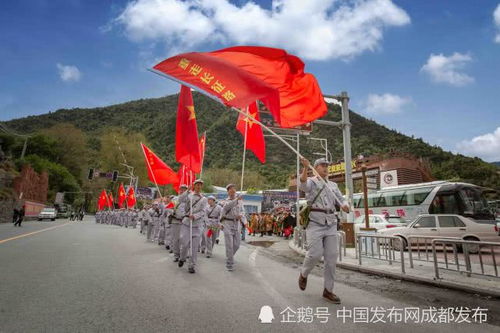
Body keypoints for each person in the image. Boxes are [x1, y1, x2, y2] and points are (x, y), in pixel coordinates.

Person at [297, 157, 350, 304]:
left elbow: (341, 198)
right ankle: (304, 274)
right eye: (322, 165)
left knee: (332, 257)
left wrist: (345, 205)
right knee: (314, 254)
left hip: (331, 223)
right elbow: (303, 185)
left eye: (327, 165)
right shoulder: (312, 181)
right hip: (315, 223)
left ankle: (328, 290)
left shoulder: (333, 185)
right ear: (316, 168)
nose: (326, 168)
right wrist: (305, 169)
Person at [178, 179, 207, 273]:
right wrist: (187, 191)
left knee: (194, 248)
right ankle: (182, 258)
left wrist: (195, 216)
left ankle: (192, 265)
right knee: (184, 243)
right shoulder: (189, 195)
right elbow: (180, 199)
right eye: (197, 184)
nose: (198, 186)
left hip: (197, 225)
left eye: (200, 185)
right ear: (194, 186)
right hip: (186, 224)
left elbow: (203, 211)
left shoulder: (204, 199)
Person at [220, 184, 246, 271]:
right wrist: (236, 199)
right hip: (227, 223)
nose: (232, 191)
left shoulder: (240, 201)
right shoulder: (225, 201)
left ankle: (229, 256)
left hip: (237, 224)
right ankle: (229, 263)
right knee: (229, 245)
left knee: (237, 244)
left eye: (233, 189)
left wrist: (241, 215)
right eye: (230, 189)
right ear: (227, 191)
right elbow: (228, 206)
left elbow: (243, 211)